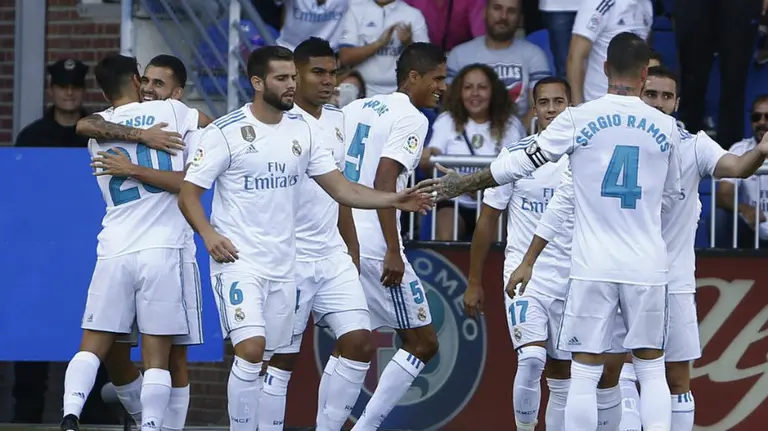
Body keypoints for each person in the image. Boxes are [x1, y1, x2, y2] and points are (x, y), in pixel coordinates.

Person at [418, 32, 684, 431]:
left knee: (584, 373)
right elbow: (672, 196)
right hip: (646, 263)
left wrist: (464, 183)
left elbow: (521, 163)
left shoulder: (581, 119)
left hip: (591, 266)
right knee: (650, 369)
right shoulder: (666, 127)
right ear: (645, 74)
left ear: (604, 69)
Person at [177, 45, 431, 429]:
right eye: (284, 78)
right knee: (258, 353)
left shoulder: (313, 129)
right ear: (258, 82)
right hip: (248, 260)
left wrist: (393, 200)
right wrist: (209, 235)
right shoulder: (225, 132)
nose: (292, 85)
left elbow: (341, 189)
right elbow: (188, 193)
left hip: (308, 259)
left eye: (293, 78)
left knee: (358, 343)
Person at [60, 54, 200, 431]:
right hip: (162, 249)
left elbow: (84, 125)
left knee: (93, 344)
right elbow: (207, 128)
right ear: (138, 81)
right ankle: (151, 424)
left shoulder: (99, 131)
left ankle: (70, 413)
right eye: (146, 80)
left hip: (114, 248)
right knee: (158, 356)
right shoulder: (173, 112)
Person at [256, 37, 374, 431]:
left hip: (331, 256)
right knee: (281, 360)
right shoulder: (276, 122)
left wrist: (352, 247)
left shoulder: (339, 120)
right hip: (287, 259)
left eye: (333, 73)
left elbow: (340, 190)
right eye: (317, 72)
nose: (328, 81)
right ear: (295, 75)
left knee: (359, 344)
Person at [341, 42, 446, 431]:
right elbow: (384, 180)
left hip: (343, 237)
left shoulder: (356, 108)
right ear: (413, 77)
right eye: (437, 78)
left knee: (350, 343)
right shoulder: (413, 118)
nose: (442, 87)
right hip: (374, 243)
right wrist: (392, 249)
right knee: (423, 342)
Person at [463, 76, 573, 431]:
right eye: (545, 102)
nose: (552, 109)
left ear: (571, 106)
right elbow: (487, 220)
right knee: (532, 358)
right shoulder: (516, 156)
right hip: (525, 276)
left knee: (562, 371)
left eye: (559, 102)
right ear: (534, 108)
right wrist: (474, 281)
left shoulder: (583, 157)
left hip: (573, 276)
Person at [420, 63, 525, 240]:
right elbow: (434, 157)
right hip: (454, 202)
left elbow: (519, 170)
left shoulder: (511, 125)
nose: (475, 93)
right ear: (460, 92)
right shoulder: (447, 120)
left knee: (493, 235)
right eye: (468, 87)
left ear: (494, 91)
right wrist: (427, 156)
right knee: (446, 233)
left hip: (495, 202)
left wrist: (481, 187)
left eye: (482, 87)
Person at [447, 0, 551, 130]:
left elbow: (540, 107)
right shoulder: (459, 55)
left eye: (511, 11)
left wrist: (514, 135)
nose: (503, 16)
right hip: (467, 135)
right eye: (497, 8)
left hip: (519, 135)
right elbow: (450, 107)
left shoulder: (534, 55)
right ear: (484, 12)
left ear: (520, 19)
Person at [567, 0, 653, 104]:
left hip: (632, 102)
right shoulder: (597, 3)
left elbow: (643, 57)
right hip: (597, 99)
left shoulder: (646, 5)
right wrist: (577, 105)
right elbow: (576, 57)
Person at [337, 0, 429, 96]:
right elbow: (345, 57)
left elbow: (426, 63)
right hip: (363, 88)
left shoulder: (413, 15)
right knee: (347, 89)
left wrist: (408, 43)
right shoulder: (355, 10)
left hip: (400, 90)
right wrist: (379, 44)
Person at [716, 94, 768, 248]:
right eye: (756, 117)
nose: (762, 122)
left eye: (767, 117)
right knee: (719, 217)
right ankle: (723, 262)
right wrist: (743, 208)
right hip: (752, 231)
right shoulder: (740, 149)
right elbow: (724, 194)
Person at [15, 59, 90, 147]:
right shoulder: (30, 137)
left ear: (84, 91)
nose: (69, 92)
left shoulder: (97, 137)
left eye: (76, 87)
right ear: (51, 91)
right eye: (62, 87)